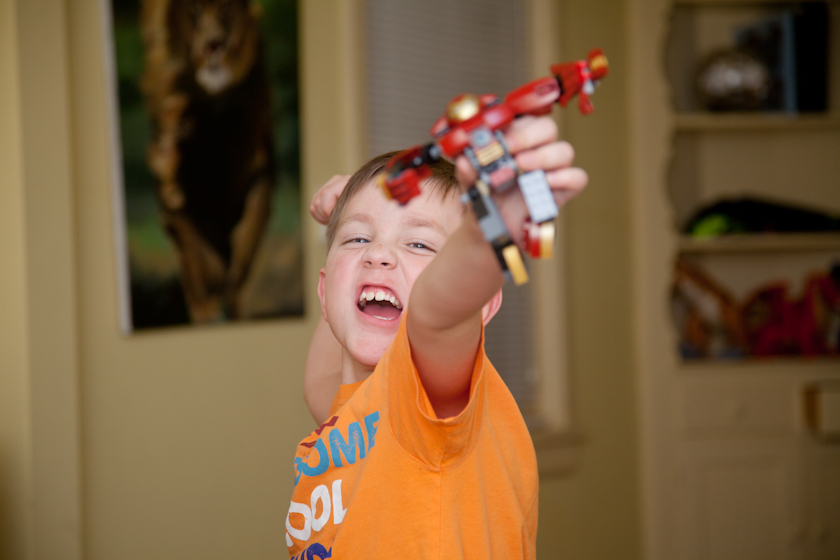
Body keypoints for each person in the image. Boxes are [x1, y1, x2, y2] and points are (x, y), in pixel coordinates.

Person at [286, 115, 587, 559]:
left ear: (481, 306)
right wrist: (345, 214)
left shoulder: (427, 400)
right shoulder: (350, 410)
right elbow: (320, 376)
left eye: (419, 244)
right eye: (358, 239)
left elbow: (436, 314)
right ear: (324, 290)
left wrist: (488, 230)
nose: (378, 254)